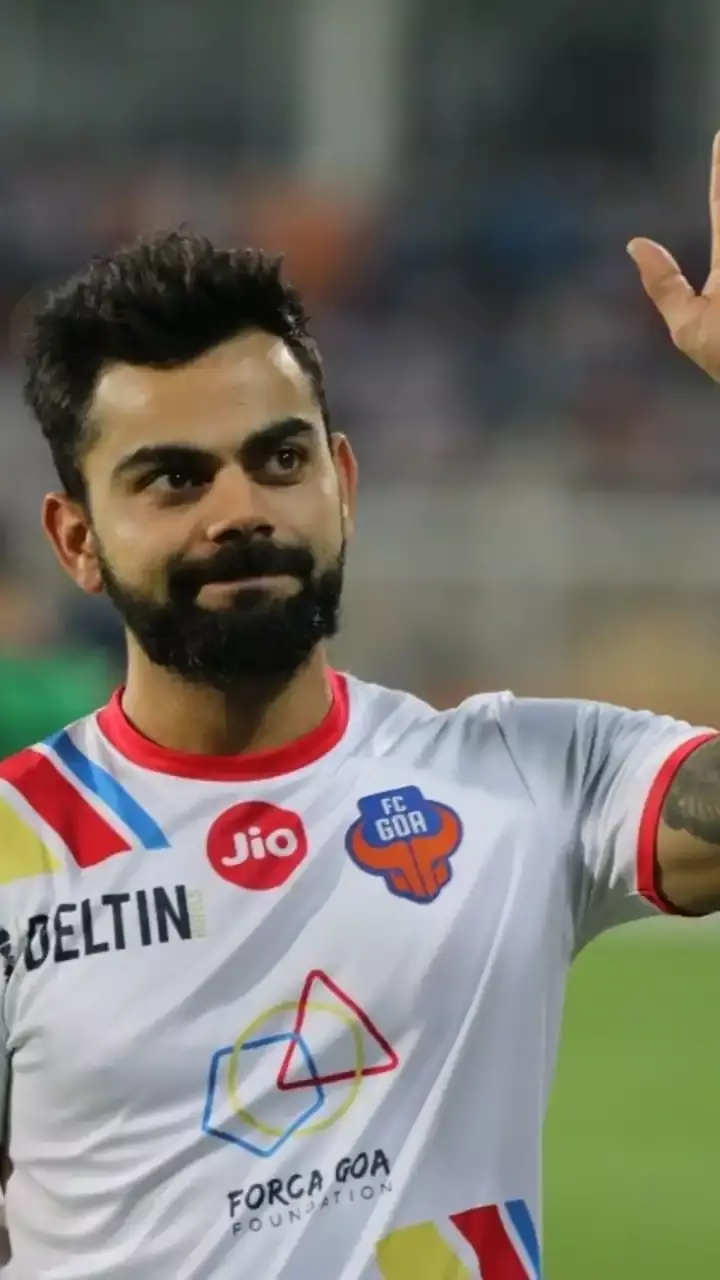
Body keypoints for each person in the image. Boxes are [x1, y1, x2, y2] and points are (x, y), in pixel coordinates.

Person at [2, 141, 720, 1280]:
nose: (241, 509)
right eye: (174, 478)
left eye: (279, 458)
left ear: (342, 480)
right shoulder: (16, 850)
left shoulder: (528, 775)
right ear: (76, 537)